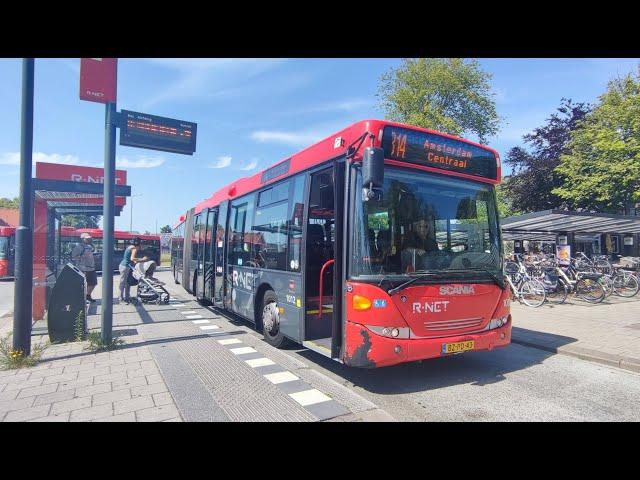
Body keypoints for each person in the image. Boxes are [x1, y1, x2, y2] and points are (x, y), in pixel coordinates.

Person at [119, 237, 149, 304]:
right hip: (125, 266)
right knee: (123, 283)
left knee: (127, 282)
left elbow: (132, 260)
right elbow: (132, 258)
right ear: (138, 244)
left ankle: (127, 297)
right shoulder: (134, 248)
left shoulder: (129, 247)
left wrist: (138, 261)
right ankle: (121, 298)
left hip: (124, 266)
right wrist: (143, 259)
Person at [71, 232, 98, 303]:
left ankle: (88, 296)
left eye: (89, 238)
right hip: (83, 268)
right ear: (82, 239)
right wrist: (82, 257)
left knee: (93, 283)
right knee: (82, 284)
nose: (89, 240)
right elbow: (73, 257)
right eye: (87, 239)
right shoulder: (78, 247)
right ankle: (81, 299)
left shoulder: (89, 246)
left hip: (91, 268)